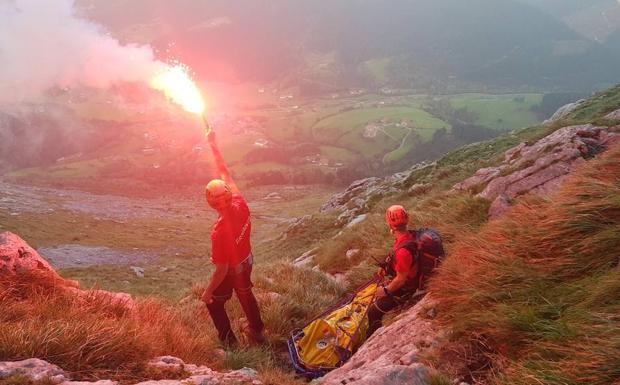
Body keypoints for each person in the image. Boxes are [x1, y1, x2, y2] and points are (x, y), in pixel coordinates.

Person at [201, 129, 265, 347]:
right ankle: (256, 329)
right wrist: (214, 145)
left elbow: (221, 270)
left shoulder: (218, 234)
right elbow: (225, 173)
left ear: (209, 202)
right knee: (245, 293)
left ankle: (229, 343)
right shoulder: (241, 204)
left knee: (213, 303)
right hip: (247, 260)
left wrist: (207, 291)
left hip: (232, 269)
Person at [366, 205, 443, 337]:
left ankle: (370, 338)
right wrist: (386, 266)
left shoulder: (402, 251)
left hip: (408, 287)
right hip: (414, 275)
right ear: (407, 219)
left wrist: (385, 291)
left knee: (372, 312)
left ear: (389, 224)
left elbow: (401, 279)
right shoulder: (412, 235)